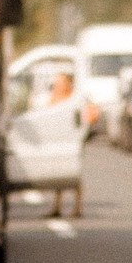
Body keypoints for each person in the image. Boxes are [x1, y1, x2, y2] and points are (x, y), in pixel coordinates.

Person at [48, 71, 83, 219]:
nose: (58, 85)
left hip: (70, 141)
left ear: (69, 83)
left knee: (73, 174)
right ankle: (56, 206)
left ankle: (77, 207)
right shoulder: (55, 97)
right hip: (56, 140)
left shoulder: (74, 99)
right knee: (58, 173)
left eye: (61, 82)